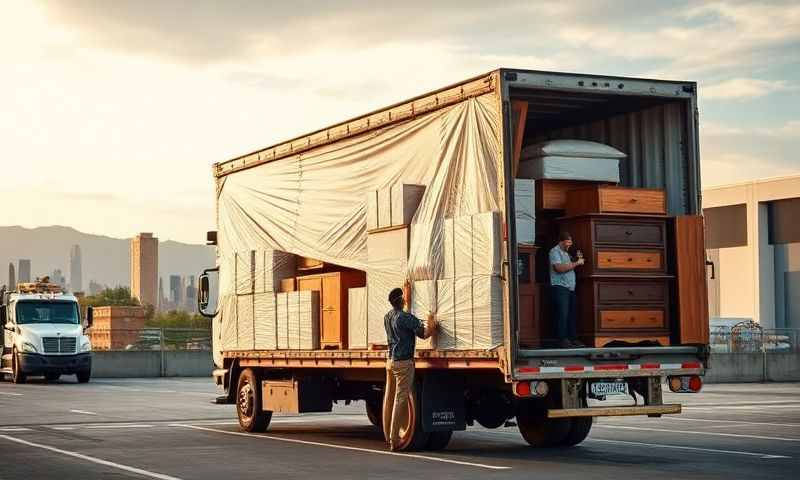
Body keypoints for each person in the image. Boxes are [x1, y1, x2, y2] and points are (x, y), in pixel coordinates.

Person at [382, 287, 437, 451]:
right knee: (401, 399)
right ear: (402, 300)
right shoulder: (406, 318)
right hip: (403, 363)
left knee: (389, 397)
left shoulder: (388, 316)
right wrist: (432, 320)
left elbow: (402, 319)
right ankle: (394, 440)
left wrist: (406, 297)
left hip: (390, 361)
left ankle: (387, 435)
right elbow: (425, 333)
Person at [549, 231, 584, 348]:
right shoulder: (555, 252)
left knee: (571, 314)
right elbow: (559, 268)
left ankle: (572, 338)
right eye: (567, 243)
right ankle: (562, 339)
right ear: (561, 242)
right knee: (562, 314)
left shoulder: (566, 253)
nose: (569, 245)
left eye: (570, 243)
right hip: (560, 287)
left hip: (570, 288)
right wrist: (576, 263)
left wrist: (577, 259)